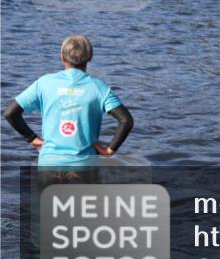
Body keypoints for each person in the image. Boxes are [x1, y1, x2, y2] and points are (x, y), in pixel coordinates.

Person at [3, 35, 134, 179]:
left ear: (62, 58)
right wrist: (110, 150)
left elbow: (10, 113)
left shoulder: (44, 83)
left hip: (49, 164)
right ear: (89, 58)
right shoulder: (98, 87)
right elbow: (126, 120)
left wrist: (32, 139)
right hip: (84, 166)